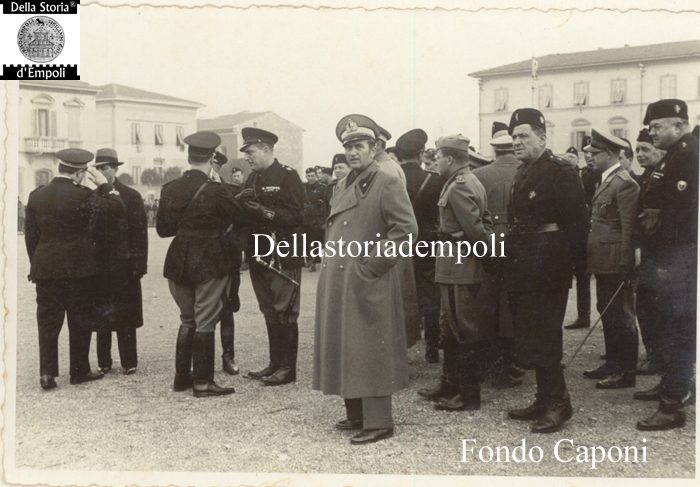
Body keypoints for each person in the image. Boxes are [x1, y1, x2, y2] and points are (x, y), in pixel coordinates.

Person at [313, 114, 418, 445]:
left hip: (365, 277)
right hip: (341, 279)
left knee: (370, 346)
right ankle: (356, 412)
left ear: (375, 148)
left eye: (359, 146)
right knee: (347, 343)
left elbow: (406, 230)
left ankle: (379, 421)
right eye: (349, 148)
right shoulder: (346, 183)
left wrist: (371, 265)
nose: (353, 153)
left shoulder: (386, 180)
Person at [505, 108, 588, 434]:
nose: (517, 142)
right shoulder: (523, 172)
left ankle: (559, 403)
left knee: (547, 335)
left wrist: (574, 268)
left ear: (542, 136)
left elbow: (577, 225)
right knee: (533, 333)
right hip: (525, 265)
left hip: (549, 266)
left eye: (524, 135)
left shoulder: (560, 172)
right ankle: (543, 398)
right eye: (514, 137)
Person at [24, 148, 122, 389]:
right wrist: (103, 185)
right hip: (79, 270)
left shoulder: (37, 196)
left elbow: (31, 237)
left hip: (46, 268)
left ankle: (47, 374)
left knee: (48, 322)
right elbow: (117, 208)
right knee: (80, 320)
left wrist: (37, 263)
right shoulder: (84, 196)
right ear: (80, 173)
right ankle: (79, 370)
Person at [157, 131, 243, 397]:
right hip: (210, 258)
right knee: (205, 319)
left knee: (188, 318)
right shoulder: (218, 191)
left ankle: (182, 378)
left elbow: (162, 230)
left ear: (189, 157)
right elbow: (238, 217)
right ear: (211, 158)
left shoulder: (169, 188)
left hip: (178, 258)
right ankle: (203, 382)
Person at [636, 99, 697, 431]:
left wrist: (663, 260)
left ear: (678, 124)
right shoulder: (674, 156)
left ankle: (673, 404)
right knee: (669, 326)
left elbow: (682, 219)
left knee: (678, 329)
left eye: (657, 127)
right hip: (666, 256)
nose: (652, 132)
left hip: (679, 257)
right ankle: (676, 386)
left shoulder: (688, 157)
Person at [430, 134, 494, 412]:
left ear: (451, 159)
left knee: (463, 328)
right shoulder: (466, 181)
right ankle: (452, 385)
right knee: (452, 325)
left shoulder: (459, 185)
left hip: (460, 264)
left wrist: (486, 254)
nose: (435, 161)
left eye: (438, 157)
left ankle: (467, 395)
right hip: (455, 264)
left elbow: (476, 230)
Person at [239, 127, 305, 386]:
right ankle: (275, 363)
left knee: (285, 311)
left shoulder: (288, 177)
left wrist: (265, 212)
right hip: (259, 252)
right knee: (268, 309)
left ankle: (288, 368)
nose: (247, 157)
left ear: (266, 149)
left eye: (251, 152)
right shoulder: (252, 179)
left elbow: (299, 216)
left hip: (283, 252)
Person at [581, 130, 640, 389]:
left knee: (621, 314)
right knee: (606, 310)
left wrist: (626, 263)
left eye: (593, 154)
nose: (589, 158)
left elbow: (629, 228)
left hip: (616, 259)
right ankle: (613, 362)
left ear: (608, 154)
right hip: (603, 258)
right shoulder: (607, 180)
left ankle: (626, 371)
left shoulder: (624, 182)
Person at [472, 121, 523, 389]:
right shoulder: (526, 170)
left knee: (487, 301)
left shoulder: (480, 174)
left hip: (489, 240)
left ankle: (490, 362)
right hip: (518, 241)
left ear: (494, 149)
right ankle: (513, 360)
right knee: (513, 302)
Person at [93, 148, 148, 375]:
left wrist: (139, 265)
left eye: (106, 167)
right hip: (99, 266)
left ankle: (129, 361)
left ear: (115, 169)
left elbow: (140, 234)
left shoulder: (131, 196)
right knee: (101, 316)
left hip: (125, 266)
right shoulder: (92, 195)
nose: (102, 172)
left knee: (126, 315)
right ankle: (104, 361)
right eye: (98, 168)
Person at [395, 129, 443, 363]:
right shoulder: (434, 180)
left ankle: (400, 348)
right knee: (430, 295)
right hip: (427, 242)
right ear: (422, 152)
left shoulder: (390, 179)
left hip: (398, 243)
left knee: (399, 294)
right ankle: (432, 348)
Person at [632, 128, 667, 377]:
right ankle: (654, 355)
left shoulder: (663, 176)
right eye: (637, 150)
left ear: (659, 150)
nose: (640, 154)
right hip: (645, 253)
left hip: (660, 255)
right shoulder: (645, 178)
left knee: (661, 310)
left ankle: (662, 362)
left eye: (645, 149)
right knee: (644, 307)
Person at [212, 150, 243, 375]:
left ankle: (228, 355)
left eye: (215, 164)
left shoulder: (230, 190)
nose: (211, 168)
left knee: (226, 307)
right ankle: (201, 358)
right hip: (203, 257)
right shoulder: (191, 188)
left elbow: (240, 223)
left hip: (227, 256)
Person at [565, 137, 596, 331]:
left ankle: (584, 315)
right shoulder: (568, 175)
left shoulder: (588, 174)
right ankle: (581, 315)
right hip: (573, 231)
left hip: (587, 229)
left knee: (585, 276)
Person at [303, 167, 328, 272]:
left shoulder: (322, 188)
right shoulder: (303, 187)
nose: (310, 178)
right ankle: (309, 259)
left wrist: (323, 220)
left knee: (315, 240)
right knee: (306, 240)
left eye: (312, 176)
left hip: (317, 218)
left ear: (316, 176)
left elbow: (326, 205)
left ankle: (313, 261)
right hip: (305, 218)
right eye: (308, 176)